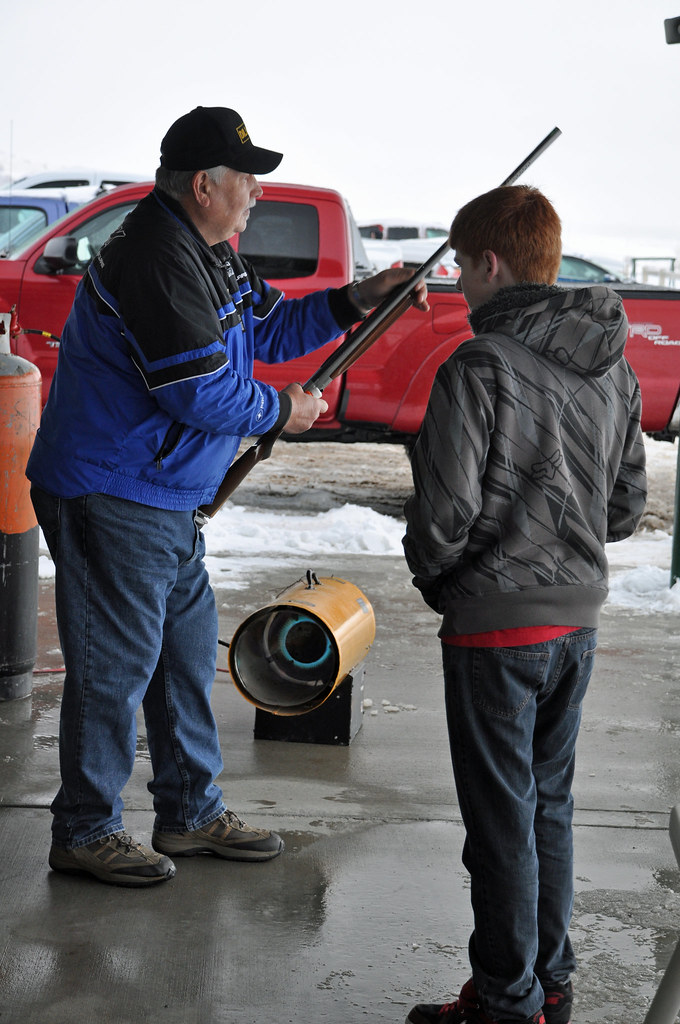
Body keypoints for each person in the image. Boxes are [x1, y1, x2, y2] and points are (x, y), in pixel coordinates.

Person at [26, 105, 428, 888]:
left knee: (180, 660)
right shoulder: (154, 258)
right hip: (114, 492)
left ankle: (188, 813)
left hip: (164, 494)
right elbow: (198, 391)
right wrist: (285, 410)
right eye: (247, 178)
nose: (257, 193)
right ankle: (85, 828)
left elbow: (271, 334)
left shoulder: (212, 255)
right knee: (117, 667)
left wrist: (363, 295)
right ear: (204, 184)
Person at [402, 185, 647, 1024]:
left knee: (500, 823)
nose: (459, 286)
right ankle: (550, 982)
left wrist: (445, 584)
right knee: (547, 806)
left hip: (493, 630)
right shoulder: (610, 361)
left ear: (491, 262)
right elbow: (624, 508)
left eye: (463, 267)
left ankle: (506, 1002)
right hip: (576, 624)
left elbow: (442, 516)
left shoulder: (481, 365)